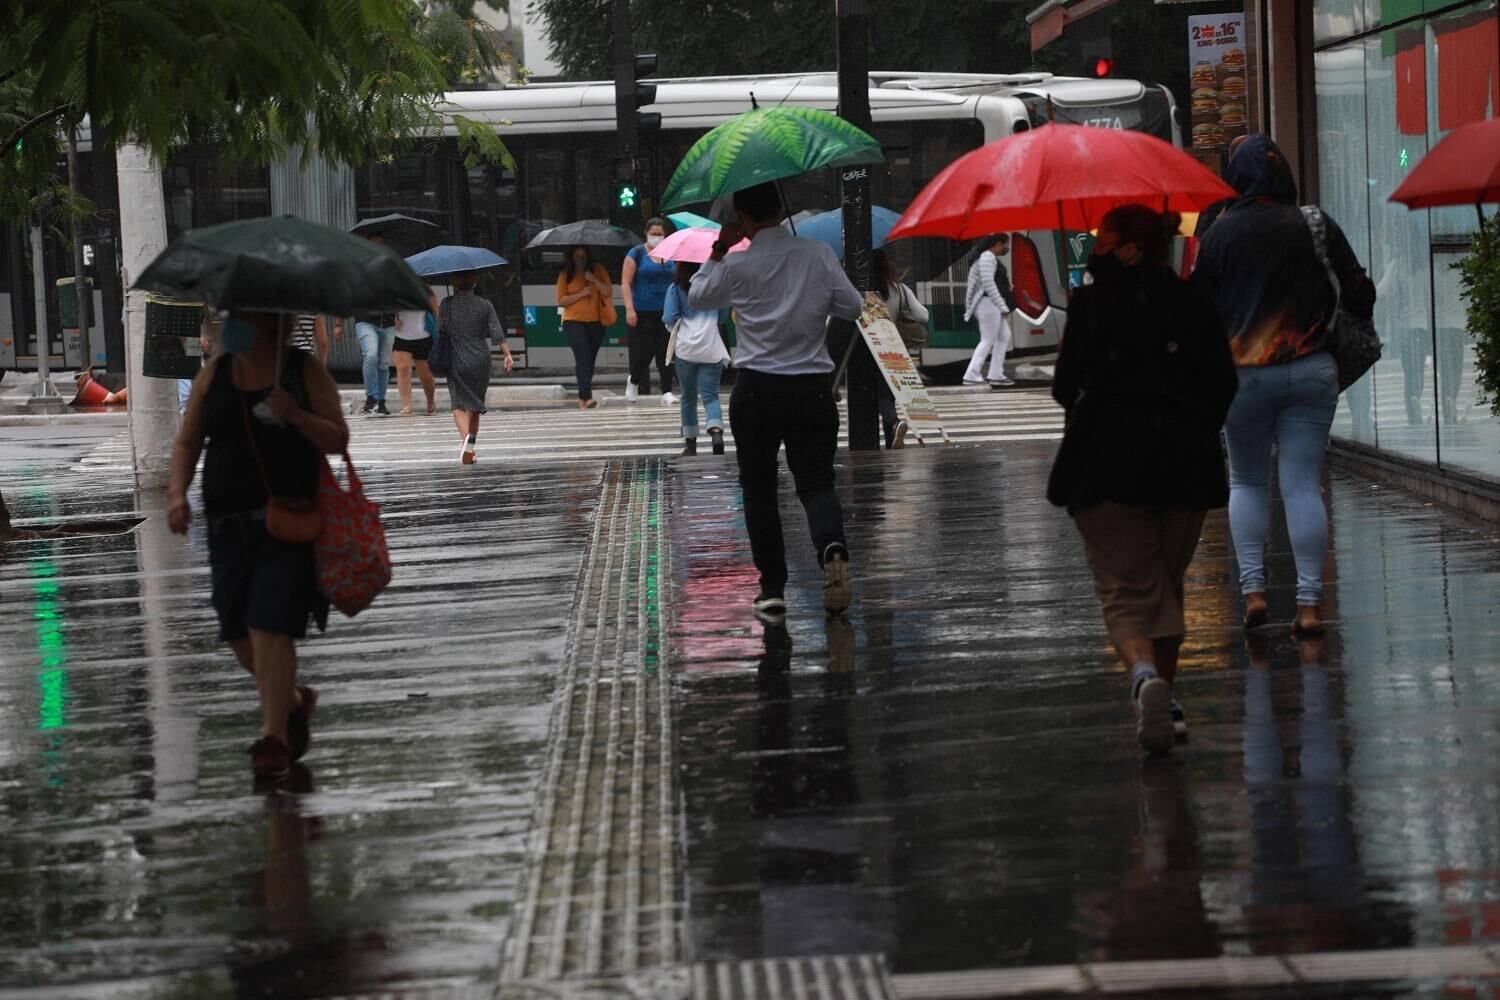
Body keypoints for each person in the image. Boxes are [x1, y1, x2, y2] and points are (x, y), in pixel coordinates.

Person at [1049, 204, 1238, 755]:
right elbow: (1223, 383)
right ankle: (1167, 702)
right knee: (1166, 588)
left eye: (1104, 241)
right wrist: (1192, 423)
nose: (1096, 249)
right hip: (1185, 468)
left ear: (1129, 248)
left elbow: (1064, 387)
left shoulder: (1092, 305)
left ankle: (1143, 676)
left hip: (1105, 468)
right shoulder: (1193, 302)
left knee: (1126, 592)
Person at [1193, 134, 1375, 637]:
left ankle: (1254, 593)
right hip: (1312, 369)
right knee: (1301, 484)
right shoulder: (1314, 222)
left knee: (1247, 481)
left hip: (1243, 377)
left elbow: (1198, 308)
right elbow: (1359, 289)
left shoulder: (1220, 233)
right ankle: (1310, 605)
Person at [166, 310, 350, 781]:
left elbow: (337, 437)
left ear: (273, 320)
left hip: (288, 522)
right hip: (227, 527)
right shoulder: (216, 373)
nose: (235, 321)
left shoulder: (302, 371)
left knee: (271, 623)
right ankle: (292, 699)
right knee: (236, 630)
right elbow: (188, 440)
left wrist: (296, 414)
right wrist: (176, 495)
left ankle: (273, 736)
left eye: (247, 312)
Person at [689, 181, 863, 622]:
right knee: (816, 483)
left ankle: (772, 589)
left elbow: (698, 296)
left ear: (743, 218)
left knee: (760, 490)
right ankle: (831, 545)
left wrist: (719, 249)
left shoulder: (737, 263)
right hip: (810, 387)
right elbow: (853, 307)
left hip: (757, 390)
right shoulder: (818, 255)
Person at [442, 271, 513, 464]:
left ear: (454, 283)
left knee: (458, 405)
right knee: (474, 406)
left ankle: (467, 441)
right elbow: (497, 333)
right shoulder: (484, 304)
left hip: (456, 357)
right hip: (480, 359)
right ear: (475, 282)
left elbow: (441, 330)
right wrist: (507, 354)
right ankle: (470, 448)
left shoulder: (446, 304)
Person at [663, 261, 730, 456]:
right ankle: (716, 432)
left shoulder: (675, 288)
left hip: (686, 350)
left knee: (688, 397)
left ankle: (690, 443)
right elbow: (723, 317)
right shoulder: (716, 288)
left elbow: (670, 317)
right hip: (711, 348)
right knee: (711, 396)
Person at [875, 249, 928, 449]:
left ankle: (893, 423)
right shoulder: (899, 289)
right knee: (887, 392)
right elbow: (923, 316)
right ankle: (891, 435)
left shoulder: (860, 292)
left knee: (876, 393)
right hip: (893, 346)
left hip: (867, 348)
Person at [622, 217, 678, 404]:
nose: (656, 237)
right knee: (644, 352)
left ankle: (666, 391)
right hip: (642, 310)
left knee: (666, 351)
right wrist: (629, 309)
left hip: (666, 311)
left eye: (660, 234)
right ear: (646, 233)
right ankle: (634, 380)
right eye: (653, 234)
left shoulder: (671, 254)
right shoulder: (636, 253)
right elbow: (626, 282)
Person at [556, 245, 613, 410]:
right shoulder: (565, 274)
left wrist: (594, 280)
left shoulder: (598, 270)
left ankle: (584, 397)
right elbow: (561, 300)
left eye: (583, 255)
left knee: (590, 360)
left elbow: (608, 291)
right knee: (583, 357)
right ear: (572, 257)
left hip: (596, 322)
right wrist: (582, 293)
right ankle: (585, 397)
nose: (580, 259)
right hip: (573, 322)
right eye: (577, 256)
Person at [962, 234, 1016, 388]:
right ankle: (972, 374)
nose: (1007, 248)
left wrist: (1006, 287)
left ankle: (996, 374)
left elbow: (992, 282)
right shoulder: (987, 257)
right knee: (987, 340)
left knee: (1004, 336)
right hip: (988, 303)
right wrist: (1003, 306)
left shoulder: (988, 257)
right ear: (998, 244)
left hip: (990, 303)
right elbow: (988, 284)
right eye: (1006, 245)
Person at [354, 233, 397, 415]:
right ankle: (371, 395)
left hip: (387, 322)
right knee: (371, 355)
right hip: (365, 320)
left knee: (384, 364)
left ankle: (381, 400)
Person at [392, 288, 438, 417]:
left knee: (426, 375)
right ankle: (407, 406)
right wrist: (392, 319)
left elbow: (436, 312)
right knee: (403, 368)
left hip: (423, 336)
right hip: (401, 336)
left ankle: (430, 402)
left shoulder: (426, 290)